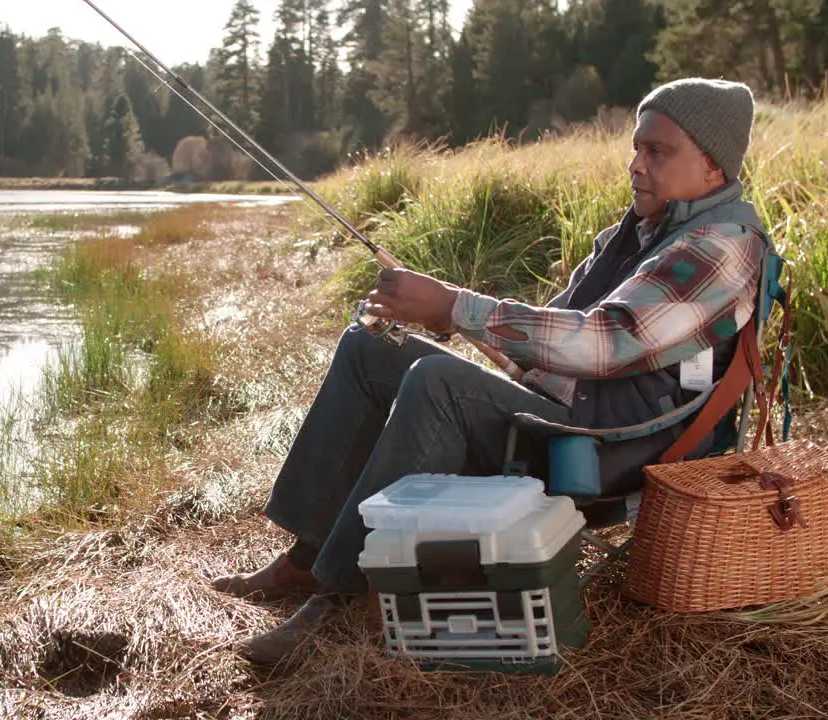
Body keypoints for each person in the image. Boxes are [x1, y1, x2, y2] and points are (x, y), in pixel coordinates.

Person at [210, 77, 772, 666]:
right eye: (636, 147)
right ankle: (309, 559)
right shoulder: (637, 233)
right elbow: (549, 343)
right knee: (369, 349)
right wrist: (440, 317)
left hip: (614, 449)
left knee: (439, 383)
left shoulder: (718, 249)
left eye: (657, 152)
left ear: (712, 167)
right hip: (574, 416)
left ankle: (346, 595)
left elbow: (604, 344)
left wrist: (454, 304)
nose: (636, 164)